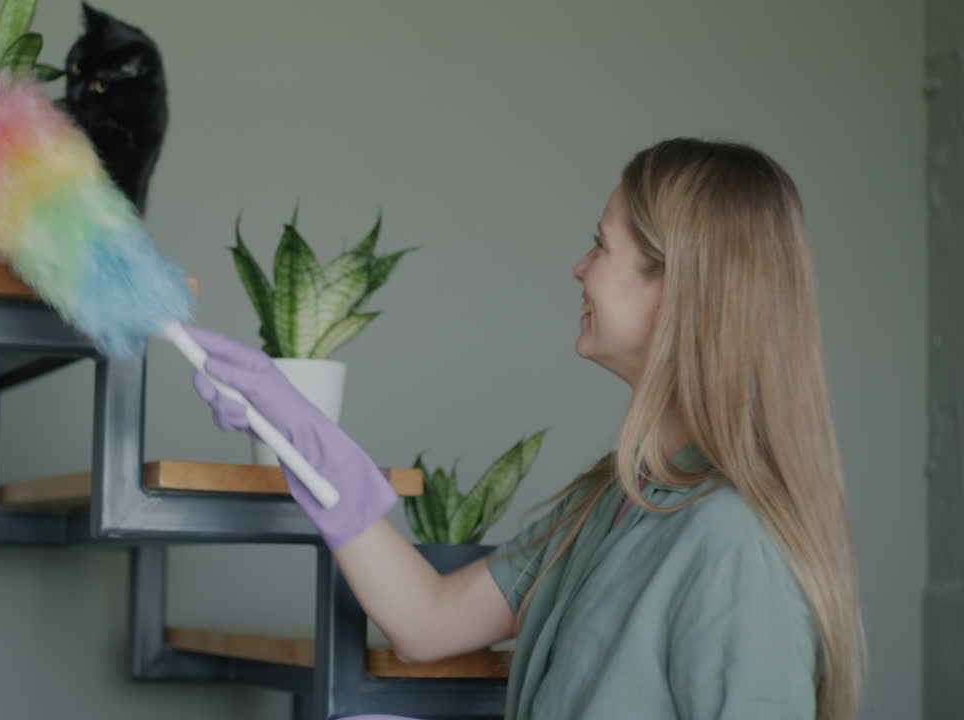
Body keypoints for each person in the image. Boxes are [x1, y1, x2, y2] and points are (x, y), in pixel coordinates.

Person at [187, 138, 866, 720]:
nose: (579, 267)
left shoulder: (735, 548)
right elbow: (427, 620)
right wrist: (301, 434)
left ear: (676, 289)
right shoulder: (612, 503)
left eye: (601, 245)